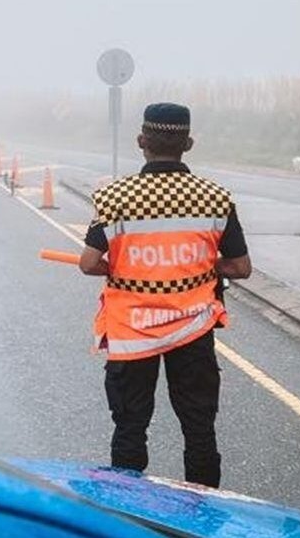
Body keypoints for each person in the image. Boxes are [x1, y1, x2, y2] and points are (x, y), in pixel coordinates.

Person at [78, 103, 251, 488]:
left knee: (130, 428)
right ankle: (202, 509)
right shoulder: (216, 198)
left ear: (142, 141)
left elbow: (88, 263)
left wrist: (126, 268)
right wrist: (200, 266)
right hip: (192, 329)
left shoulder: (113, 198)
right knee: (199, 429)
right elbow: (241, 267)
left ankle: (129, 508)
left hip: (132, 332)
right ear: (188, 144)